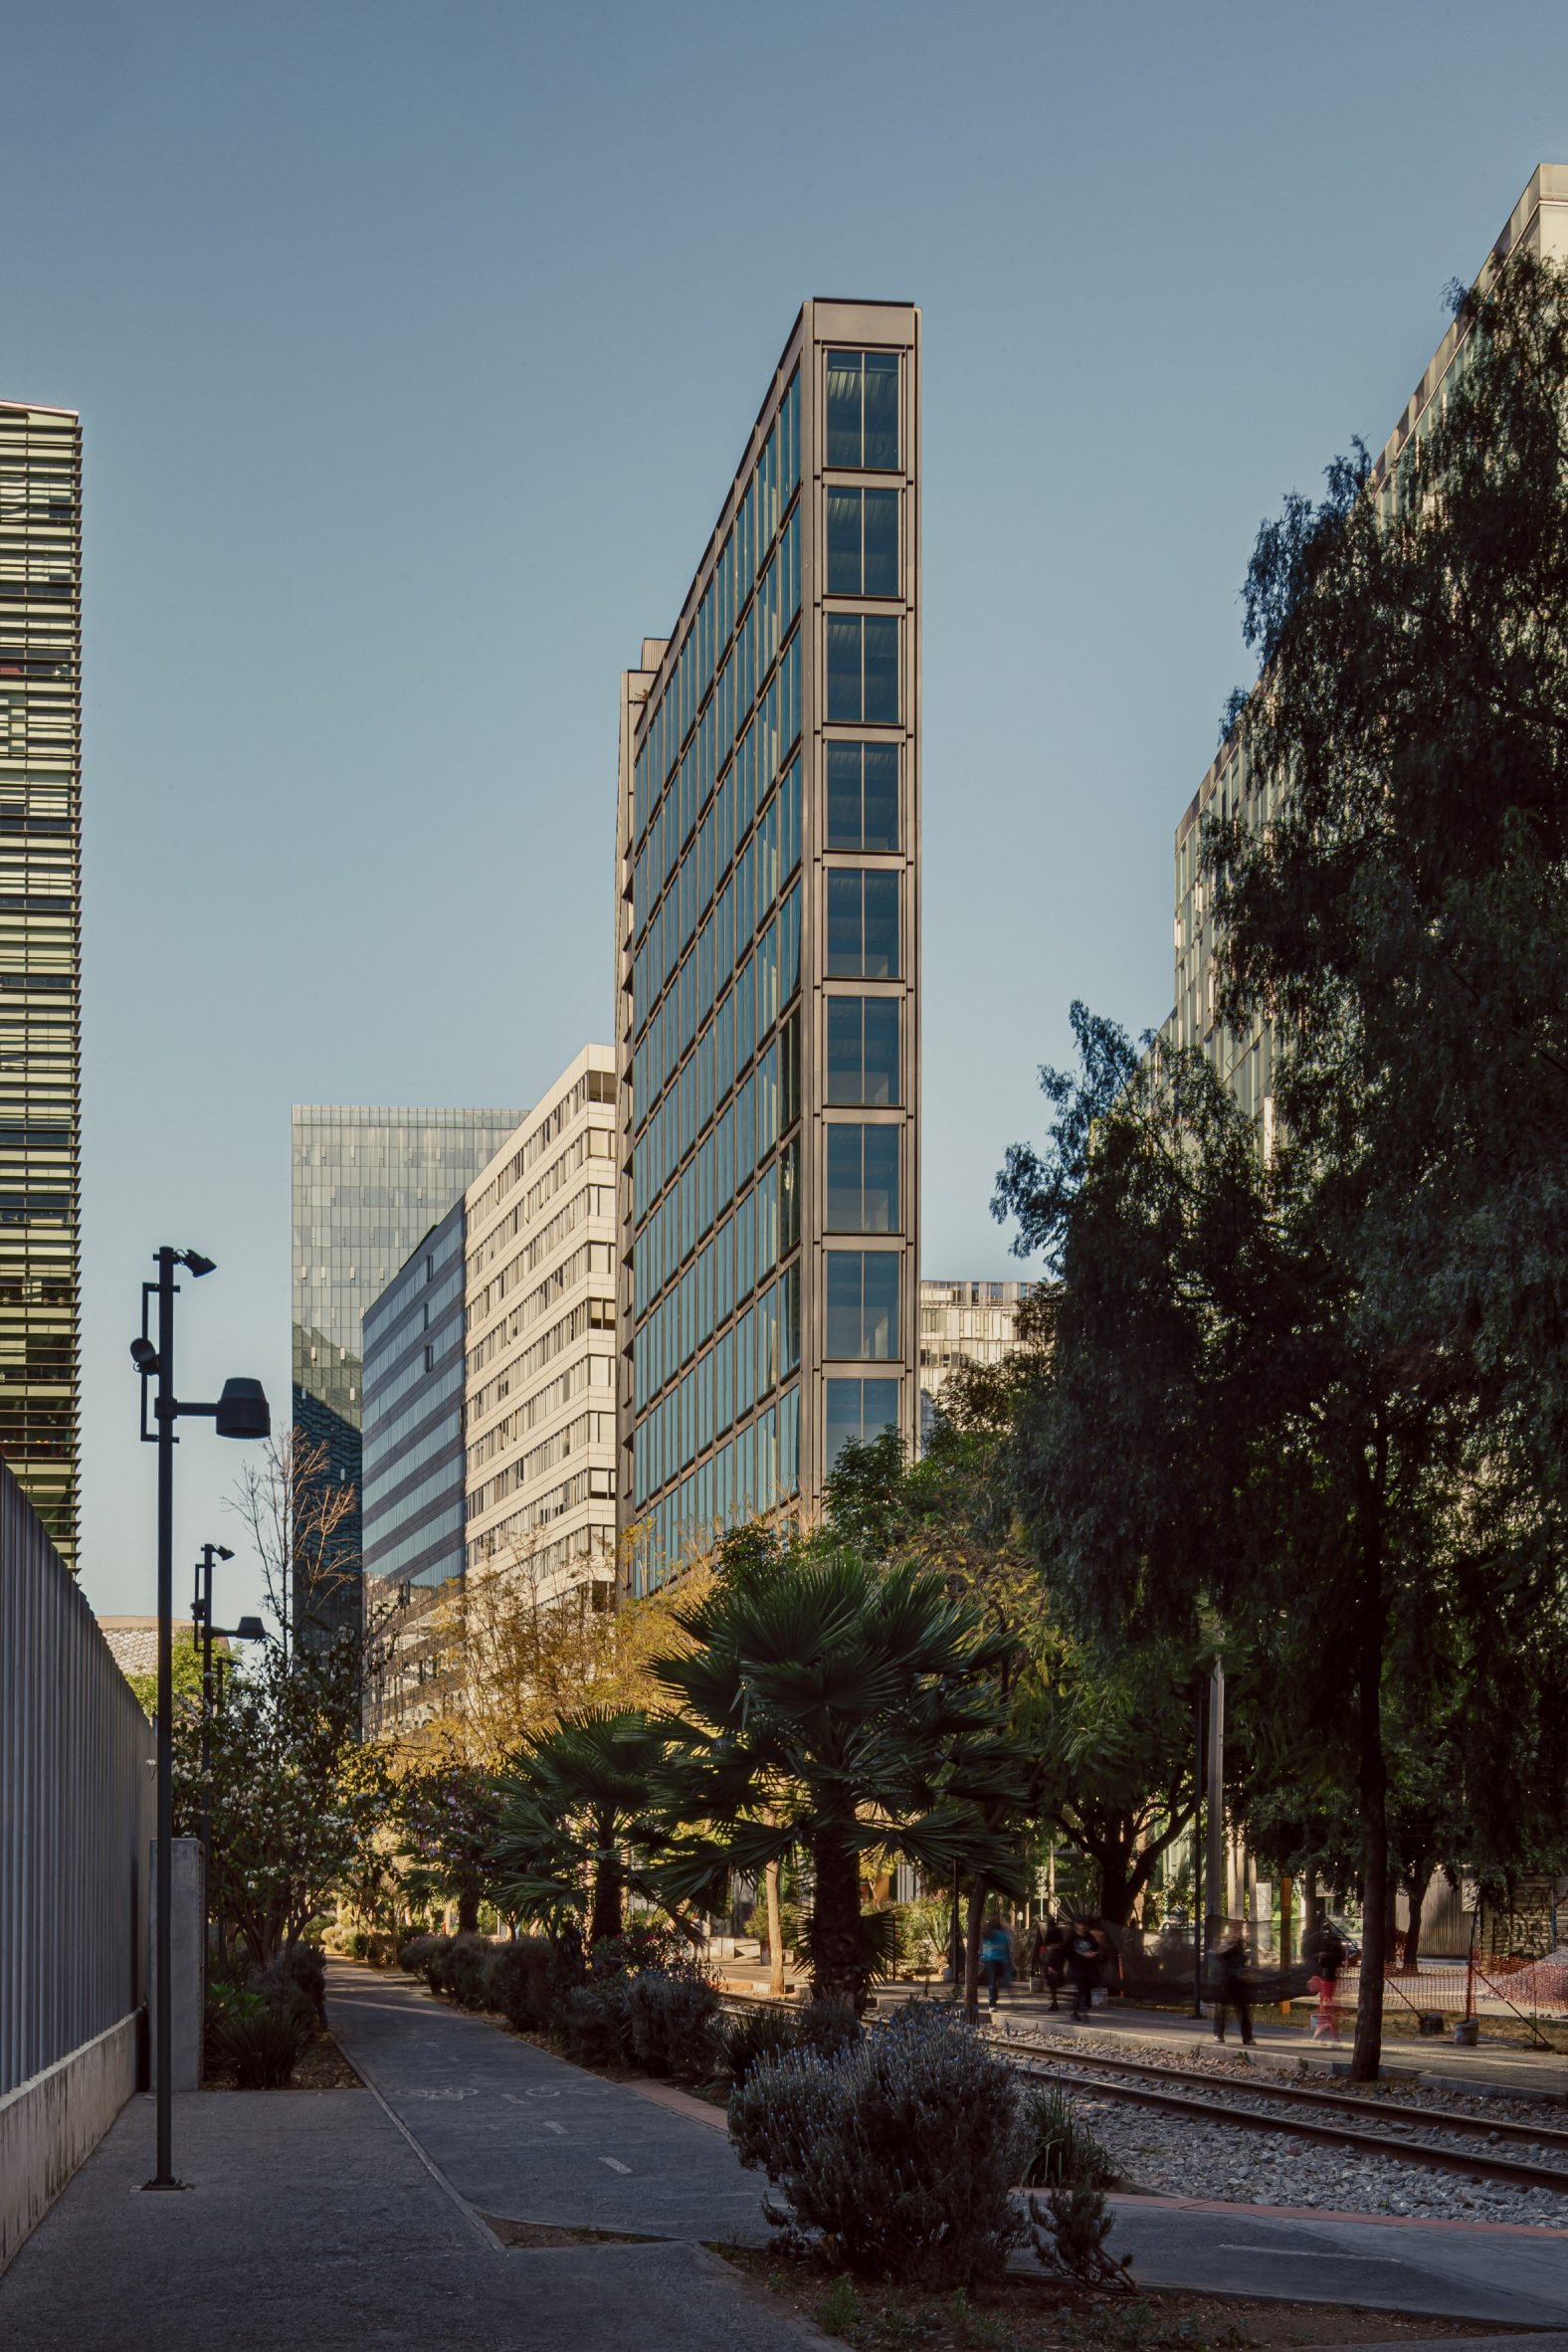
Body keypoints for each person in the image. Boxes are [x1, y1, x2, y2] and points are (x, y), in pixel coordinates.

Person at [1212, 1929, 1254, 2046]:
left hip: (1236, 1985)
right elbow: (1218, 1957)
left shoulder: (1240, 1952)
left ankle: (1247, 2037)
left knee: (1242, 2010)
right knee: (1222, 2009)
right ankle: (1219, 2034)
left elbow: (1243, 1965)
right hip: (1225, 1984)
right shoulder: (1225, 1950)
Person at [1309, 1919, 1345, 2041]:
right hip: (1330, 1977)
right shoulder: (1336, 1944)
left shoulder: (1324, 1944)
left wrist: (1319, 1956)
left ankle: (1324, 2027)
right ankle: (1331, 2032)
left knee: (1327, 2004)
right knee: (1327, 2004)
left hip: (1326, 1977)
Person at [1066, 1917, 1100, 2021]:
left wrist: (1093, 1954)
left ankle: (1085, 2009)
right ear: (1077, 1926)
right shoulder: (1072, 1938)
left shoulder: (1090, 1937)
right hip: (1076, 1968)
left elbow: (1095, 1947)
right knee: (1081, 1990)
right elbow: (1065, 1953)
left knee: (1087, 1990)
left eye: (1086, 1926)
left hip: (1088, 1968)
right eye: (1082, 1925)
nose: (1084, 1928)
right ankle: (1075, 2011)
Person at [980, 1910, 1013, 2010]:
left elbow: (1007, 1946)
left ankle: (993, 1999)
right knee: (993, 1981)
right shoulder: (991, 1932)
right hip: (992, 1959)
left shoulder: (1001, 1933)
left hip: (997, 1959)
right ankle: (992, 2002)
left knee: (996, 1981)